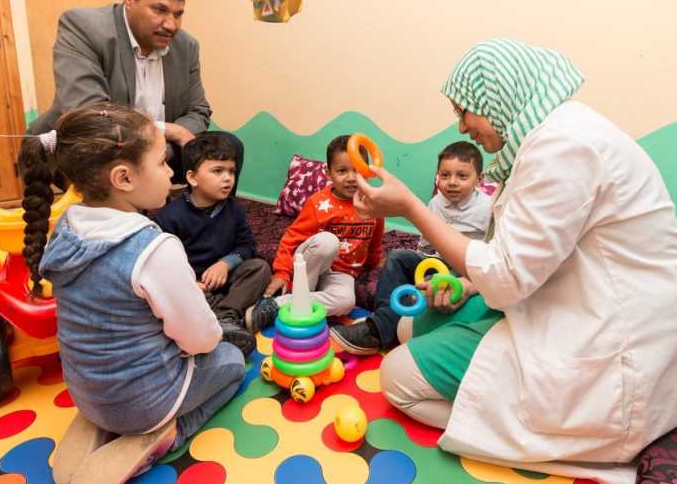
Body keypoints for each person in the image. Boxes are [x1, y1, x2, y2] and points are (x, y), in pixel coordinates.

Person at [351, 39, 677, 484]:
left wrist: (411, 208)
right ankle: (496, 404)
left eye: (464, 111)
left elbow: (509, 276)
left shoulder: (562, 146)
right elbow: (528, 255)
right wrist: (470, 284)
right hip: (558, 303)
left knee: (396, 380)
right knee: (410, 327)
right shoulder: (552, 136)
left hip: (604, 336)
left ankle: (542, 441)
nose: (462, 126)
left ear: (497, 98)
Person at [20, 103, 245, 484]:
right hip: (143, 405)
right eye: (163, 163)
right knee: (230, 359)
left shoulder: (66, 226)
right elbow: (202, 339)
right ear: (123, 177)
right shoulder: (152, 247)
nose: (172, 173)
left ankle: (99, 418)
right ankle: (165, 434)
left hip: (82, 388)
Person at [26, 0, 245, 191]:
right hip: (102, 148)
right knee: (117, 162)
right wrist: (167, 130)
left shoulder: (186, 46)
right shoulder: (84, 28)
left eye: (178, 14)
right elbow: (90, 115)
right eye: (160, 9)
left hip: (164, 149)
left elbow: (198, 110)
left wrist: (160, 148)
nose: (171, 24)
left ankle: (213, 225)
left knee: (230, 146)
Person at [330, 141, 490, 355]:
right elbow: (427, 240)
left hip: (465, 268)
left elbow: (493, 251)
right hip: (436, 261)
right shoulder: (436, 202)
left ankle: (384, 329)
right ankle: (382, 323)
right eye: (445, 176)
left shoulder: (487, 208)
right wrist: (418, 264)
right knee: (397, 257)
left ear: (479, 179)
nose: (452, 183)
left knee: (442, 280)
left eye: (462, 176)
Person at [244, 134, 385, 332]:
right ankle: (302, 294)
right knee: (328, 241)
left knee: (345, 302)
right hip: (312, 264)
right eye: (342, 171)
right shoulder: (318, 203)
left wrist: (374, 261)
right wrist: (282, 274)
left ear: (367, 172)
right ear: (329, 174)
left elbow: (375, 238)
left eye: (357, 171)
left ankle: (279, 305)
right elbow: (291, 238)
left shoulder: (373, 204)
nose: (351, 178)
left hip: (341, 273)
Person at [153, 133, 271, 358]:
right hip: (195, 288)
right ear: (193, 178)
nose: (227, 178)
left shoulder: (234, 208)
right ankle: (237, 315)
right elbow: (163, 267)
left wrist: (225, 264)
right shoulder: (169, 218)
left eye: (231, 171)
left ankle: (226, 317)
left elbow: (247, 245)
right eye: (218, 171)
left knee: (260, 268)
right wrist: (192, 283)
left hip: (227, 280)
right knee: (177, 300)